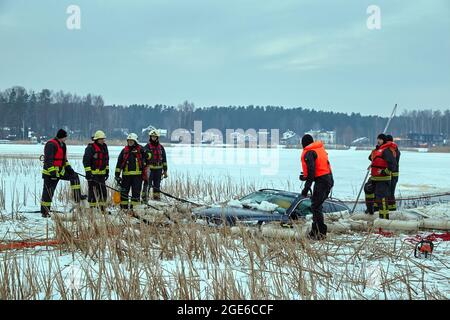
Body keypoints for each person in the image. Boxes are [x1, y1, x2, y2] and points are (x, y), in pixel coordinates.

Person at [40, 129, 85, 218]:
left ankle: (77, 196)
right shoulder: (51, 144)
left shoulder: (63, 145)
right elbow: (49, 160)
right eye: (66, 137)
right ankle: (45, 212)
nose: (66, 139)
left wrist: (70, 169)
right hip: (50, 174)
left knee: (74, 176)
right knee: (48, 193)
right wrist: (52, 172)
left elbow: (64, 160)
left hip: (60, 172)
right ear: (62, 136)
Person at [299, 134, 334, 240]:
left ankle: (321, 233)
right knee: (316, 205)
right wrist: (305, 178)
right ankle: (315, 231)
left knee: (316, 206)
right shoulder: (318, 149)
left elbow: (311, 172)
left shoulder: (309, 152)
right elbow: (318, 170)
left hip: (322, 182)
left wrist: (306, 188)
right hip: (328, 179)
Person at [364, 134, 396, 219]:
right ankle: (370, 211)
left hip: (383, 179)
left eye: (380, 139)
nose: (378, 141)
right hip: (374, 178)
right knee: (367, 189)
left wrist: (384, 171)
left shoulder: (387, 151)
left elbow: (393, 164)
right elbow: (372, 158)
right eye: (378, 139)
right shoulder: (376, 150)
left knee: (382, 199)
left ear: (384, 141)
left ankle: (384, 219)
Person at [115, 133, 147, 212]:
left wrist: (146, 154)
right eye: (128, 141)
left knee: (136, 194)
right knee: (124, 194)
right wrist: (117, 175)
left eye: (131, 141)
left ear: (135, 141)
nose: (130, 142)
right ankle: (124, 209)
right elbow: (119, 163)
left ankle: (135, 210)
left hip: (137, 177)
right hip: (126, 177)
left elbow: (149, 156)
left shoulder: (141, 149)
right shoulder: (124, 151)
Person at [83, 130, 109, 213]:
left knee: (103, 191)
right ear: (96, 139)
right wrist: (88, 173)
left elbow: (106, 160)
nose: (102, 140)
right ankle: (92, 209)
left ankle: (102, 208)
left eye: (103, 139)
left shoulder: (105, 147)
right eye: (101, 139)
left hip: (102, 175)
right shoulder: (90, 148)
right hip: (93, 175)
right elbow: (86, 161)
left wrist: (107, 171)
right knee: (93, 192)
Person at [142, 129, 168, 202]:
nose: (153, 138)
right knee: (147, 184)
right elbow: (143, 158)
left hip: (159, 170)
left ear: (157, 138)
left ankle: (156, 199)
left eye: (155, 137)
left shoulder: (161, 147)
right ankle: (144, 199)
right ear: (150, 137)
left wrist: (165, 171)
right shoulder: (147, 147)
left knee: (157, 186)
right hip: (149, 169)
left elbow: (164, 160)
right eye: (152, 136)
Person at [386, 135, 400, 211]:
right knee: (391, 193)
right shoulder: (396, 149)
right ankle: (392, 209)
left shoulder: (390, 149)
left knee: (389, 193)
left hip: (390, 174)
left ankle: (391, 210)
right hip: (395, 174)